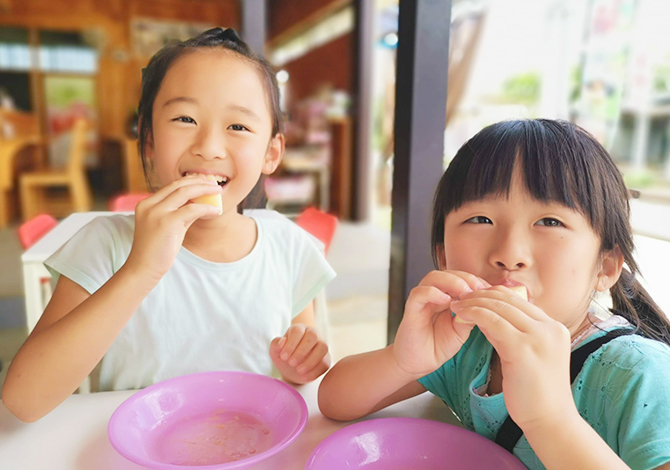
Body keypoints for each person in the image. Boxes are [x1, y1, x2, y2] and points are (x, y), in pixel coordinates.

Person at [3, 28, 335, 422]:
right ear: (149, 142)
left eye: (238, 126)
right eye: (184, 118)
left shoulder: (290, 248)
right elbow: (24, 400)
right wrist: (141, 269)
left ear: (271, 153)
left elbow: (301, 371)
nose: (209, 147)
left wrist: (299, 367)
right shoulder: (103, 245)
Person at [319, 119, 670, 470]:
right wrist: (401, 361)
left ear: (606, 267)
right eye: (481, 219)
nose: (509, 253)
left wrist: (550, 419)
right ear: (443, 256)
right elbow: (334, 401)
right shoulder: (463, 344)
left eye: (550, 221)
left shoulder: (644, 377)